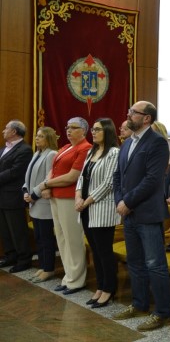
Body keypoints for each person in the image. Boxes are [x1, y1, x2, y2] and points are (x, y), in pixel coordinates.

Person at [112, 101, 170, 331]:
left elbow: (153, 180)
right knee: (135, 262)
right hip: (129, 213)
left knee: (155, 264)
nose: (128, 115)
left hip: (147, 212)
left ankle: (162, 312)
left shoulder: (157, 143)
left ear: (146, 118)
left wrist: (128, 201)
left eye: (133, 113)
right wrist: (120, 200)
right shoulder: (128, 143)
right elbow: (118, 175)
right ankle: (139, 304)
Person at [39, 117, 92, 294]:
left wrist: (47, 185)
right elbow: (52, 170)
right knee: (61, 238)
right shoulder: (65, 147)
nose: (68, 130)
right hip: (56, 197)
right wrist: (47, 184)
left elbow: (72, 176)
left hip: (69, 198)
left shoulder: (85, 148)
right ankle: (68, 276)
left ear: (83, 131)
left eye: (73, 127)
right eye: (67, 127)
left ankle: (77, 280)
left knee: (73, 239)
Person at [75, 118, 120, 308]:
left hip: (101, 208)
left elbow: (109, 183)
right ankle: (100, 287)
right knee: (95, 250)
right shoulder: (91, 151)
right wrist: (78, 196)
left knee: (104, 252)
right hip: (85, 208)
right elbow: (81, 178)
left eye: (98, 130)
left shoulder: (114, 153)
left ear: (108, 131)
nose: (93, 132)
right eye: (92, 130)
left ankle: (109, 288)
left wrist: (86, 201)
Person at [23, 126, 58, 282]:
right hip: (34, 202)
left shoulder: (51, 154)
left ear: (49, 138)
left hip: (43, 203)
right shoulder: (37, 153)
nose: (37, 138)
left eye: (41, 136)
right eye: (36, 136)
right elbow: (28, 176)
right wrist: (25, 191)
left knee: (46, 238)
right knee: (38, 237)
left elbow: (48, 179)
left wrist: (34, 195)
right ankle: (43, 266)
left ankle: (49, 268)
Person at [0, 120, 33, 273]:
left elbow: (16, 171)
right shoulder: (3, 149)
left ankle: (24, 259)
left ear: (14, 132)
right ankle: (10, 255)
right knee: (5, 229)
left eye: (6, 128)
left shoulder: (25, 149)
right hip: (2, 195)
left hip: (13, 196)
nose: (3, 131)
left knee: (17, 230)